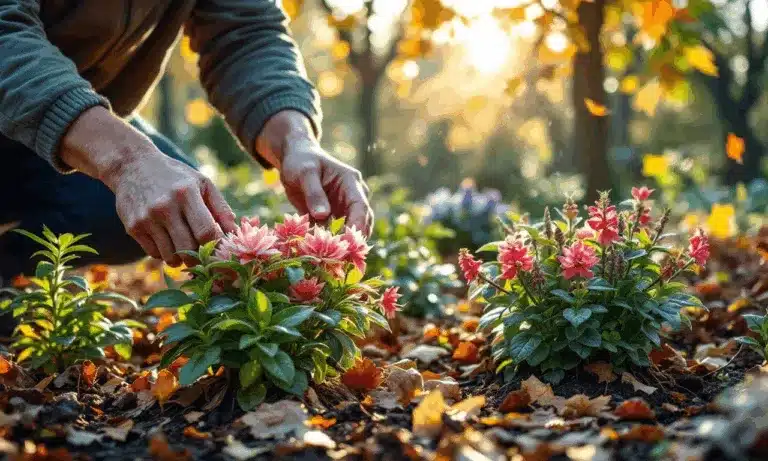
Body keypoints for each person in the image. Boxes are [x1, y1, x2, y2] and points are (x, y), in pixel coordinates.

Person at [0, 1, 373, 283]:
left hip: (64, 130)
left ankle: (7, 280)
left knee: (165, 205)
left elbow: (246, 35)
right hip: (28, 104)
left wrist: (295, 142)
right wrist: (126, 161)